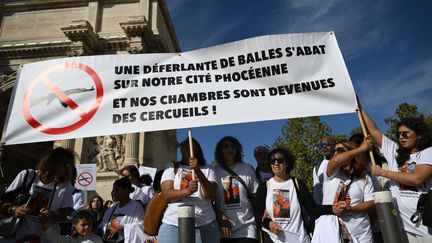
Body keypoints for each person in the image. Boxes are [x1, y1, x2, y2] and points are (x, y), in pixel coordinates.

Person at [362, 109, 432, 241]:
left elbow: (417, 178)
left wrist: (383, 173)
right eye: (399, 134)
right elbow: (374, 131)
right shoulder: (394, 152)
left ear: (419, 135)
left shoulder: (429, 152)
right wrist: (358, 106)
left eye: (405, 134)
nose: (401, 137)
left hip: (426, 230)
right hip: (402, 228)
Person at [255, 148, 334, 243]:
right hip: (274, 240)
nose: (276, 163)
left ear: (287, 163)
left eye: (280, 160)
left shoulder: (297, 183)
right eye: (272, 161)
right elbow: (258, 216)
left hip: (300, 239)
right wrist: (269, 223)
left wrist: (333, 208)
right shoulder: (264, 187)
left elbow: (312, 208)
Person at [0, 147, 75, 242]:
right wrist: (14, 209)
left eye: (70, 165)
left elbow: (64, 215)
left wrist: (52, 215)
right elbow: (2, 202)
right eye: (65, 164)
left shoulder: (65, 186)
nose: (68, 168)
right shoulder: (27, 175)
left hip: (45, 238)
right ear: (52, 162)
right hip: (15, 236)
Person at [158, 137, 220, 243]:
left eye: (189, 144)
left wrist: (198, 171)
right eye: (183, 144)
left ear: (196, 148)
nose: (185, 146)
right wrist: (187, 191)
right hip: (173, 224)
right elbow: (167, 194)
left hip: (205, 224)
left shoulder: (208, 168)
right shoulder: (172, 166)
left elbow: (211, 194)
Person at [321, 138, 375, 242]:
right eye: (334, 151)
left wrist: (350, 209)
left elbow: (371, 203)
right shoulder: (330, 173)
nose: (336, 153)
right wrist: (361, 149)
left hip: (361, 234)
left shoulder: (364, 177)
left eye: (340, 150)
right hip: (333, 233)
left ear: (350, 152)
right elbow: (336, 161)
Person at [214, 136, 259, 243]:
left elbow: (256, 195)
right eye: (226, 146)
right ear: (220, 151)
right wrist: (221, 219)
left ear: (237, 149)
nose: (230, 148)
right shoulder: (214, 170)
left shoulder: (247, 168)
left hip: (248, 228)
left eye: (233, 146)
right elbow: (210, 201)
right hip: (224, 229)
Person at [99, 177, 148, 242]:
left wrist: (123, 228)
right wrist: (107, 227)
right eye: (113, 191)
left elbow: (141, 226)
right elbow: (102, 225)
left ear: (127, 190)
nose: (114, 193)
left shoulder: (136, 206)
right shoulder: (111, 209)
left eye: (117, 190)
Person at [313, 136, 335, 204]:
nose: (324, 147)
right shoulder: (317, 168)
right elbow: (317, 192)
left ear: (335, 145)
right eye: (322, 145)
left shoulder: (344, 162)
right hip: (327, 209)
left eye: (327, 144)